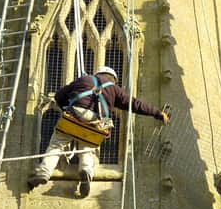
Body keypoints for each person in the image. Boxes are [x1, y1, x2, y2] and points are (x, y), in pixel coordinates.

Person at [29, 66, 169, 197]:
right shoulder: (114, 89)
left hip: (75, 114)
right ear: (112, 78)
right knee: (88, 147)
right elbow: (135, 104)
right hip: (94, 121)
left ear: (99, 74)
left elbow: (59, 95)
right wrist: (158, 113)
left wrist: (65, 108)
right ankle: (86, 171)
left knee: (57, 145)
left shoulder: (84, 79)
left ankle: (43, 173)